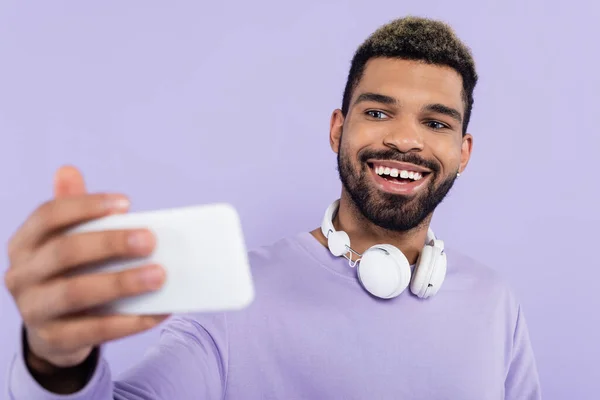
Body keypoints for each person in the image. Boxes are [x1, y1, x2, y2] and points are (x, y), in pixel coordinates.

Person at [4, 16, 541, 399]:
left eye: (437, 122)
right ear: (338, 129)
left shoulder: (495, 302)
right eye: (378, 113)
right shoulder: (234, 297)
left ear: (463, 152)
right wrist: (55, 366)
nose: (405, 141)